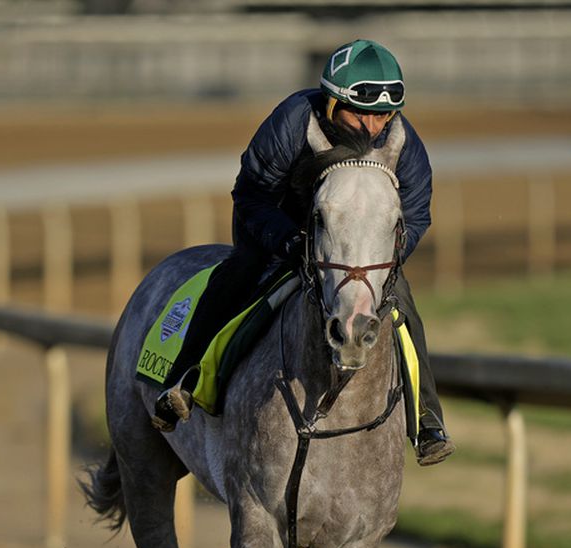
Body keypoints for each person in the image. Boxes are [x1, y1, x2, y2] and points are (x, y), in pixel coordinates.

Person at [154, 38, 455, 466]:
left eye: (383, 114)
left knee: (402, 304)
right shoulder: (292, 121)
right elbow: (250, 196)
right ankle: (182, 379)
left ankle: (426, 419)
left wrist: (382, 258)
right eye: (361, 112)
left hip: (359, 249)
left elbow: (417, 216)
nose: (373, 127)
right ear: (331, 104)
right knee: (237, 275)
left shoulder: (406, 148)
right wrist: (291, 242)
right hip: (282, 229)